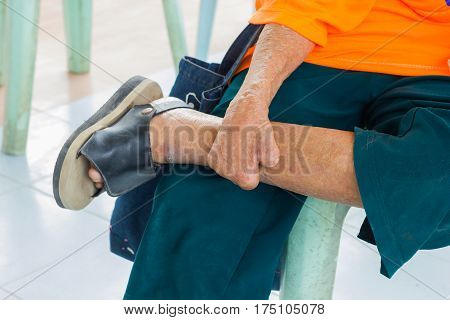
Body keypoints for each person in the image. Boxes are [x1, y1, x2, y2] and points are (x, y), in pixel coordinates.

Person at [58, 0, 450, 299]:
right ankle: (198, 137)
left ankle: (178, 133)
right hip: (327, 43)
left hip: (440, 77)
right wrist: (253, 96)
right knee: (211, 216)